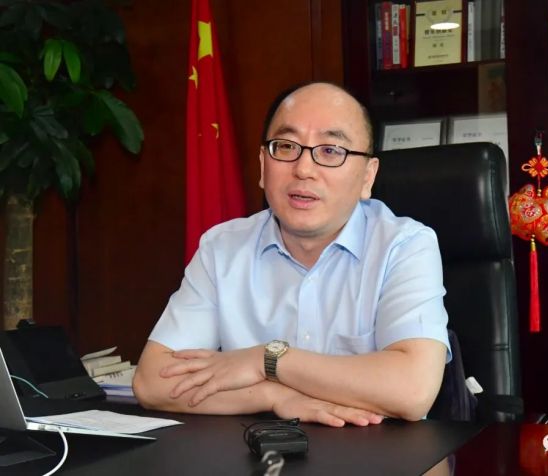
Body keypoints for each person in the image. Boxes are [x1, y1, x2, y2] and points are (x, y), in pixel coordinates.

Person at [133, 82, 451, 427]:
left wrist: (266, 360)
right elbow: (152, 382)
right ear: (262, 164)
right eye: (286, 147)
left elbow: (413, 390)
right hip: (258, 450)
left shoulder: (404, 246)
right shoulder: (222, 249)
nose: (304, 169)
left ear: (367, 176)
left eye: (330, 150)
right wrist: (275, 396)